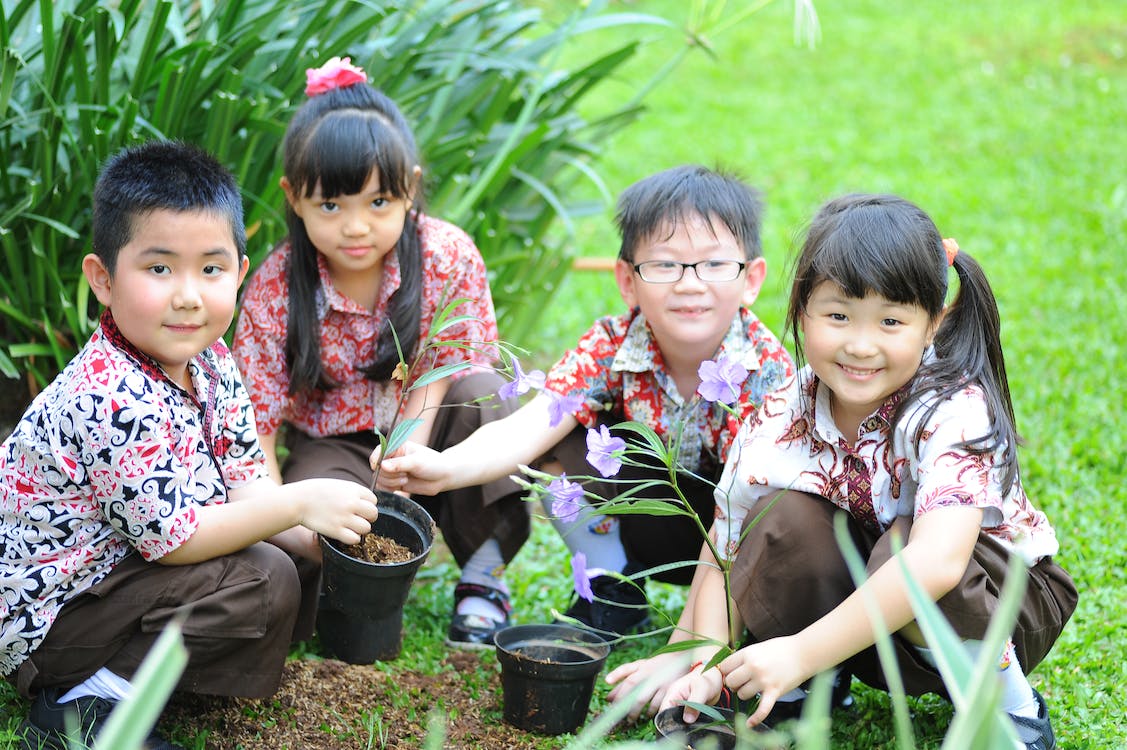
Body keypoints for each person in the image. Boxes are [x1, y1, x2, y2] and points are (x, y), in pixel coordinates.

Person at [613, 193, 1076, 749]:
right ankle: (806, 690)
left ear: (932, 325)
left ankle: (1011, 712)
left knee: (906, 547)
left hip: (1001, 607)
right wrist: (703, 665)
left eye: (890, 321)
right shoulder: (785, 410)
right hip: (869, 621)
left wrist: (797, 650)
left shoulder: (952, 406)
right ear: (801, 311)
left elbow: (936, 563)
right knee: (781, 516)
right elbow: (724, 547)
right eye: (838, 316)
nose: (860, 345)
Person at [0, 140, 380, 750]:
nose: (188, 295)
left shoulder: (211, 359)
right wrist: (295, 503)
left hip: (120, 578)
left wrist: (316, 535)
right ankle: (79, 709)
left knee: (294, 562)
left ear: (240, 271)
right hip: (53, 623)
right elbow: (174, 540)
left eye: (211, 268)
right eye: (158, 268)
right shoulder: (106, 396)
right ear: (102, 279)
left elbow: (245, 473)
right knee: (260, 579)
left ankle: (141, 674)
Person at [373, 165, 794, 639]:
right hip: (640, 521)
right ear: (627, 280)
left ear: (752, 278)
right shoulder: (611, 345)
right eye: (664, 264)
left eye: (715, 264)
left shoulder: (767, 370)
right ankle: (612, 588)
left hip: (732, 537)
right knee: (561, 431)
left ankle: (756, 623)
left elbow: (748, 509)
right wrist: (444, 467)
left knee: (778, 508)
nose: (690, 283)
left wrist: (695, 637)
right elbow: (527, 427)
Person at [231, 57, 526, 649]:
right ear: (294, 198)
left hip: (434, 421)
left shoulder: (447, 255)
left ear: (410, 190)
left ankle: (483, 575)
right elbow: (256, 421)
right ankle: (353, 592)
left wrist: (409, 448)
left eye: (379, 204)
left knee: (485, 395)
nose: (356, 228)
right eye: (331, 206)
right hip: (334, 442)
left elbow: (448, 359)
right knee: (321, 528)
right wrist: (279, 515)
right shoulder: (276, 284)